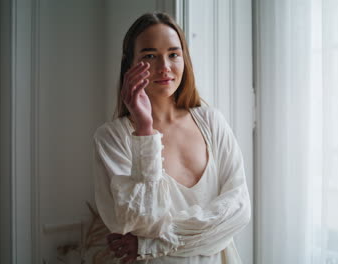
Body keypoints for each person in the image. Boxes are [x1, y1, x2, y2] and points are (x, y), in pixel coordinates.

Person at [92, 12, 251, 264]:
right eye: (149, 56)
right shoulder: (111, 138)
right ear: (129, 65)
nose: (164, 67)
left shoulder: (212, 121)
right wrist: (145, 130)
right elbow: (143, 223)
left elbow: (240, 209)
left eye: (173, 54)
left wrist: (151, 244)